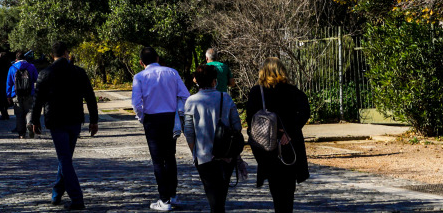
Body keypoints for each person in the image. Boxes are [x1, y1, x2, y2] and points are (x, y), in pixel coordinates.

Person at [31, 42, 99, 211]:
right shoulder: (79, 72)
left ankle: (77, 198)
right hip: (75, 119)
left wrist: (34, 120)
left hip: (56, 120)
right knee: (66, 157)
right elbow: (90, 97)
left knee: (64, 158)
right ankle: (57, 193)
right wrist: (94, 120)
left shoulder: (45, 73)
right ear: (66, 53)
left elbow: (37, 100)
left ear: (51, 55)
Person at [245, 57, 310, 213]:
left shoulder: (256, 92)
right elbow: (305, 112)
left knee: (275, 189)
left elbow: (250, 120)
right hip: (289, 145)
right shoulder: (292, 91)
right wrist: (290, 132)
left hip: (268, 147)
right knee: (288, 190)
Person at [131, 46, 190, 212]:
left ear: (141, 62)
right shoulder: (172, 73)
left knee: (157, 159)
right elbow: (185, 95)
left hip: (152, 119)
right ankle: (172, 194)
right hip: (170, 117)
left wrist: (143, 117)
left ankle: (164, 199)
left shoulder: (140, 77)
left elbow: (136, 103)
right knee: (170, 157)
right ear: (157, 58)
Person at [183, 65, 242, 213]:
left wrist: (194, 152)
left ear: (197, 81)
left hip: (203, 156)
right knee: (221, 195)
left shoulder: (191, 101)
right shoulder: (225, 97)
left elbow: (189, 132)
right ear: (214, 81)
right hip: (226, 154)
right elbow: (237, 126)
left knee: (212, 196)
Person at [5, 51, 38, 139]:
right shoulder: (31, 66)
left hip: (16, 94)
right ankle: (29, 123)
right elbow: (36, 79)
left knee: (19, 114)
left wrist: (8, 95)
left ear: (16, 59)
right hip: (29, 92)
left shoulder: (12, 68)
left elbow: (9, 83)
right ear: (25, 58)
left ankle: (21, 134)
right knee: (29, 110)